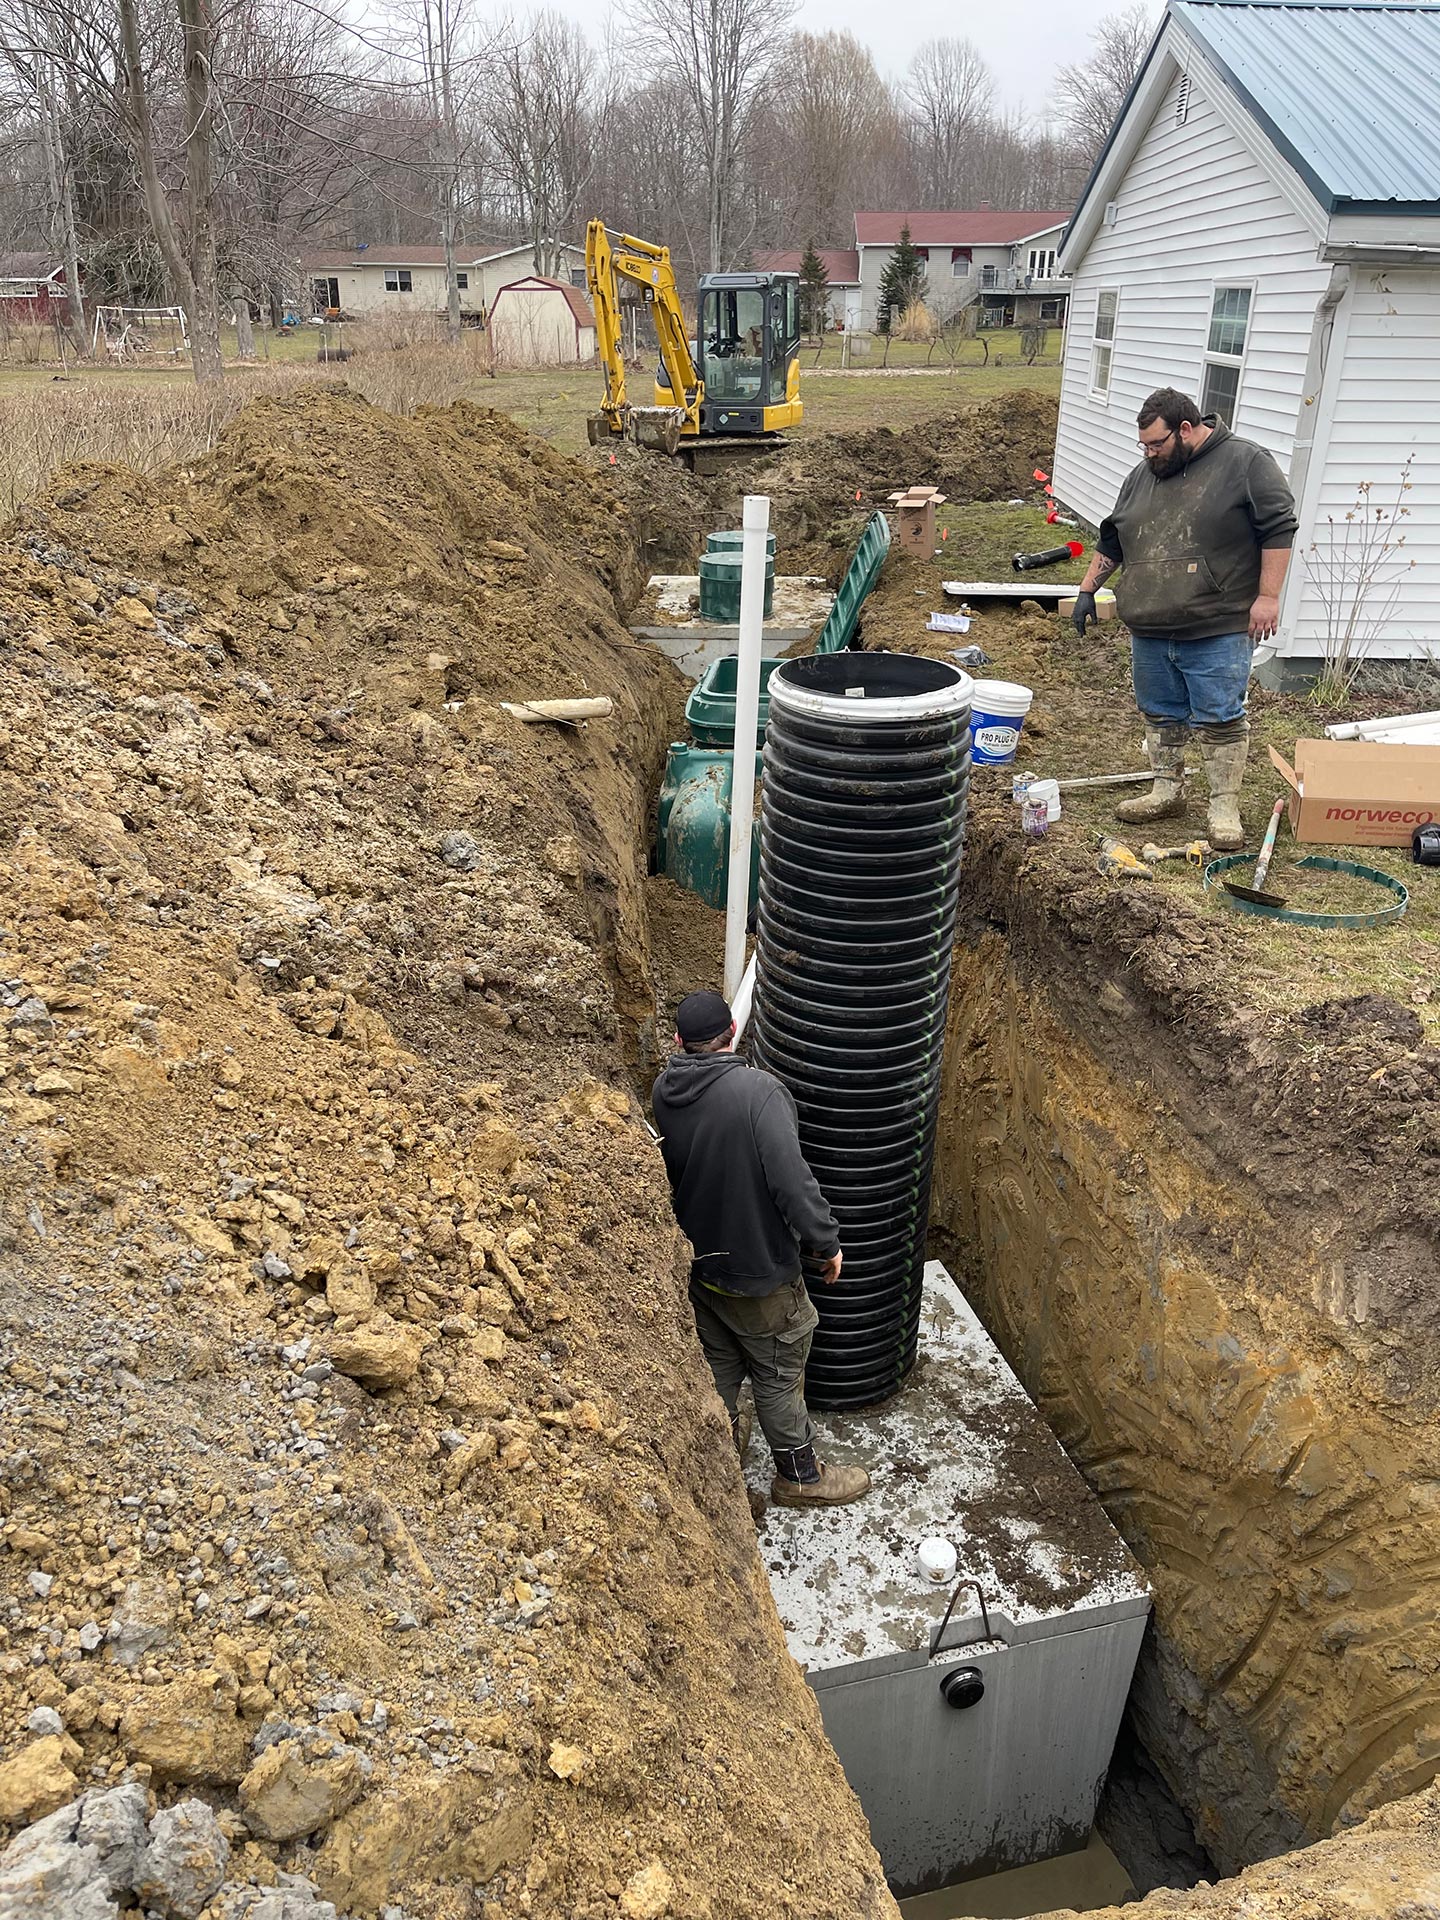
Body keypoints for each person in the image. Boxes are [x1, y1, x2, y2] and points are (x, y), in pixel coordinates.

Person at [651, 988, 870, 1509]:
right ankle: (799, 1476)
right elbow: (792, 1183)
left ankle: (721, 1466)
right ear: (733, 1033)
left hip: (701, 1267)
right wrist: (826, 1240)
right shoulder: (759, 1094)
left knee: (721, 1366)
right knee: (777, 1374)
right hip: (759, 1272)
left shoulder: (663, 1089)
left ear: (679, 1040)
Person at [1071, 388, 1298, 851]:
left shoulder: (1246, 463)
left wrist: (1268, 596)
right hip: (1151, 626)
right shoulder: (1144, 475)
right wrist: (1086, 589)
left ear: (1187, 429)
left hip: (1216, 624)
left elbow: (1278, 528)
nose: (1149, 453)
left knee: (1219, 718)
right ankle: (1166, 790)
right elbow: (1115, 538)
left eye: (1156, 444)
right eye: (1144, 446)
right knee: (1160, 713)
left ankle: (1223, 806)